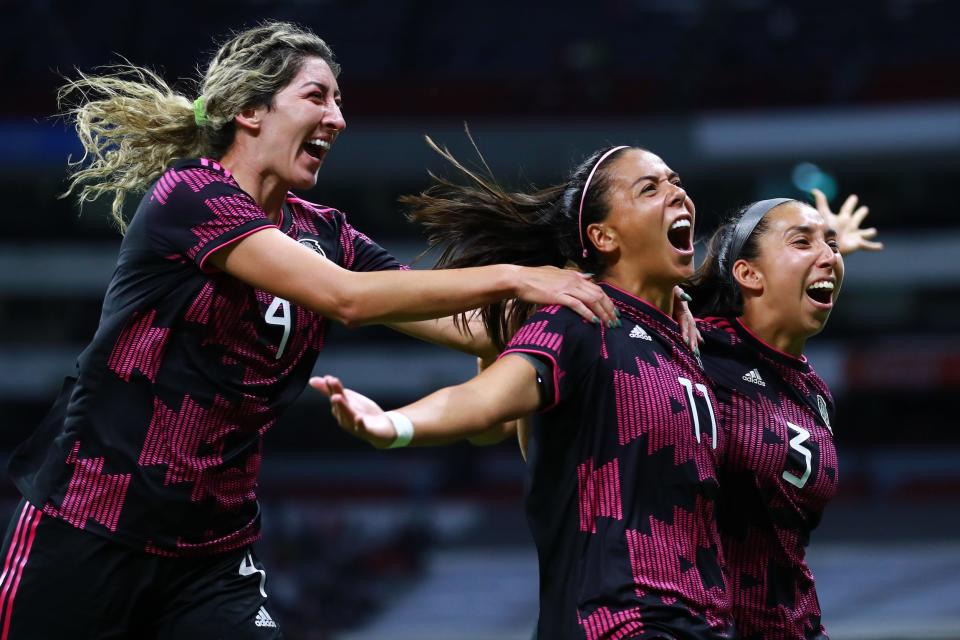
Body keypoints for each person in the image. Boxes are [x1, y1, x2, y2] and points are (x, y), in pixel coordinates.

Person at [0, 21, 622, 640]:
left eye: (340, 101)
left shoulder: (326, 232)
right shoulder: (190, 195)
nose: (338, 118)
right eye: (316, 96)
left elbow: (465, 326)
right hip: (87, 526)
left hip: (211, 556)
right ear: (248, 109)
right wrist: (515, 276)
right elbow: (345, 298)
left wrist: (600, 302)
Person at [313, 144, 736, 639]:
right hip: (617, 621)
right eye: (651, 187)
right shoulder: (578, 321)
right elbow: (484, 399)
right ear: (603, 236)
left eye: (675, 180)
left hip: (704, 624)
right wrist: (394, 425)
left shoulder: (684, 339)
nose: (677, 193)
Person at [686, 193, 881, 639]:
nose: (829, 255)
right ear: (748, 273)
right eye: (802, 242)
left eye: (830, 245)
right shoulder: (694, 350)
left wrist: (817, 251)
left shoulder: (814, 393)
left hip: (797, 627)